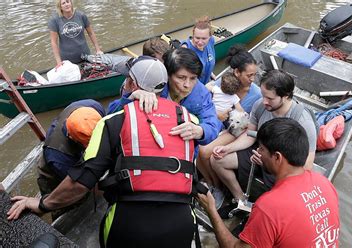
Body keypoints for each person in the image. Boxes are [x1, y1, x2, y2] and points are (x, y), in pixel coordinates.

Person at [7, 60, 198, 247]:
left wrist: (41, 204)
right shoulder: (189, 120)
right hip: (182, 225)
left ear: (131, 83)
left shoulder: (111, 121)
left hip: (129, 227)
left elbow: (81, 182)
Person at [197, 118, 340, 247]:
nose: (257, 151)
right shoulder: (324, 183)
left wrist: (211, 210)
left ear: (277, 157)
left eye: (261, 149)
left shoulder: (269, 206)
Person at [210, 69, 317, 203]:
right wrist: (228, 148)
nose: (264, 101)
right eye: (263, 95)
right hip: (260, 151)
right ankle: (240, 199)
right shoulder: (260, 106)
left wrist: (270, 165)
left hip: (283, 165)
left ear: (285, 96)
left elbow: (305, 167)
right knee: (217, 160)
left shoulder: (303, 121)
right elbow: (250, 135)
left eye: (270, 98)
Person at [108, 47, 222, 146]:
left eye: (193, 78)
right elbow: (111, 115)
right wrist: (130, 98)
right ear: (168, 74)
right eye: (181, 77)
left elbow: (212, 124)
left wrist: (201, 131)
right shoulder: (152, 84)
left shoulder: (201, 94)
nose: (187, 85)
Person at [195, 45, 261, 205]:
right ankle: (211, 182)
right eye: (249, 75)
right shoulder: (224, 81)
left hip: (237, 130)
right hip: (219, 123)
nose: (252, 79)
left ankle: (217, 188)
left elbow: (249, 125)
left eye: (254, 75)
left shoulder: (256, 94)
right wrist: (217, 114)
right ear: (236, 72)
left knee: (203, 151)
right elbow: (204, 97)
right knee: (194, 147)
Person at [38, 99, 105, 217]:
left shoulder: (94, 107)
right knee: (65, 206)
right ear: (71, 136)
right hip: (53, 175)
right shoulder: (58, 157)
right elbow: (77, 184)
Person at [48, 0, 103, 67]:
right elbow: (54, 42)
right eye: (63, 3)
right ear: (60, 7)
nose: (66, 4)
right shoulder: (54, 20)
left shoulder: (81, 15)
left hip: (85, 56)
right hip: (67, 61)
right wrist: (58, 62)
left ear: (71, 3)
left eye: (68, 1)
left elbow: (91, 33)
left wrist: (98, 50)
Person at [182, 16, 216, 84]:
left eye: (204, 39)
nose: (200, 42)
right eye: (197, 38)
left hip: (206, 84)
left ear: (209, 37)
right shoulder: (186, 49)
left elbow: (208, 59)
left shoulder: (211, 41)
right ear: (193, 35)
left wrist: (209, 72)